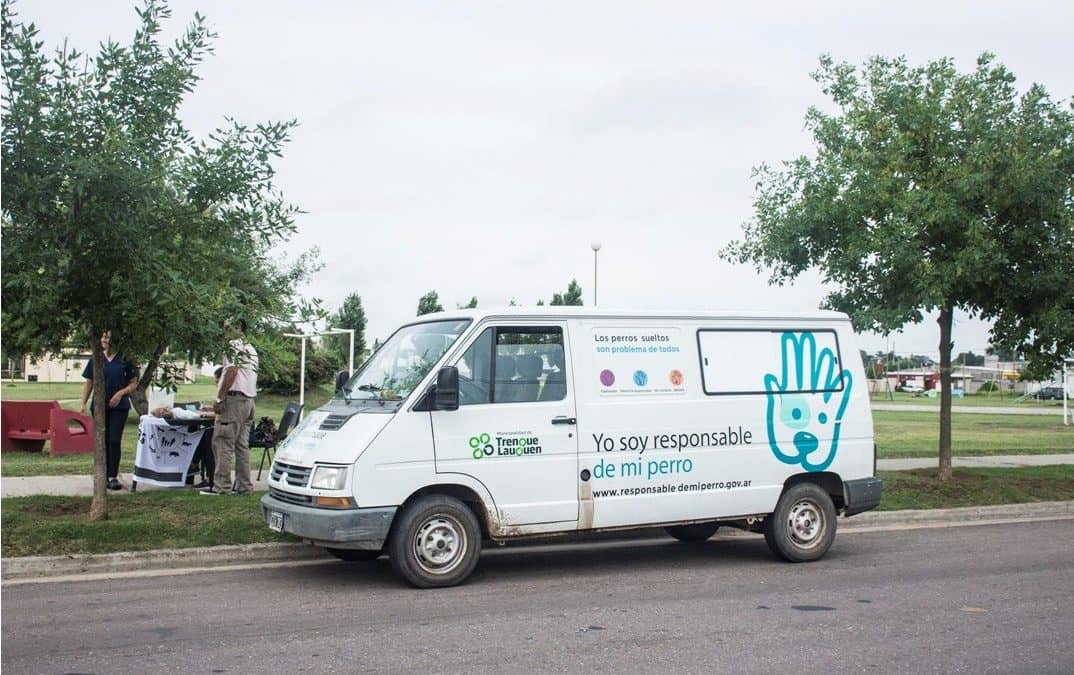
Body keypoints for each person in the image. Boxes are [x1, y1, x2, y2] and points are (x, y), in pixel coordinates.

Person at [202, 319, 258, 495]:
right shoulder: (250, 348)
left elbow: (232, 371)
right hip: (249, 401)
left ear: (239, 327)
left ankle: (222, 487)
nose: (225, 330)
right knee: (242, 446)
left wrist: (219, 398)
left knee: (222, 443)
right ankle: (244, 486)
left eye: (228, 327)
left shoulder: (233, 346)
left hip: (234, 400)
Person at [80, 330, 140, 491]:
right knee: (102, 440)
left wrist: (120, 394)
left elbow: (134, 383)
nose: (104, 340)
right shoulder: (96, 357)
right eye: (103, 337)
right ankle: (102, 475)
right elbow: (89, 382)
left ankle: (112, 476)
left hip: (119, 406)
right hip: (100, 405)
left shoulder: (125, 358)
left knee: (114, 439)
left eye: (107, 337)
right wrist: (83, 403)